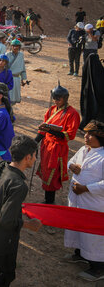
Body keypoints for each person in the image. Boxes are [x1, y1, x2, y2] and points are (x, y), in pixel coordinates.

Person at [0, 135, 43, 287]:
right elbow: (6, 220)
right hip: (1, 243)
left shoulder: (1, 166)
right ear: (28, 157)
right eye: (35, 156)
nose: (35, 159)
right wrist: (28, 224)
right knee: (1, 280)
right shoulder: (18, 185)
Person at [64, 120, 104, 282]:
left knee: (92, 235)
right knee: (77, 227)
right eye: (85, 133)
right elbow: (71, 161)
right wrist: (71, 166)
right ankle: (80, 254)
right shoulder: (83, 149)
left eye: (90, 135)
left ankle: (98, 268)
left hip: (93, 203)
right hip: (77, 199)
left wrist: (86, 188)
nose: (86, 137)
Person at [36, 84, 80, 205]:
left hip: (58, 149)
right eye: (54, 98)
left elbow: (69, 135)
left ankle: (49, 201)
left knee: (53, 174)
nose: (56, 101)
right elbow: (43, 128)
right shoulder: (51, 110)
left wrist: (50, 129)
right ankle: (47, 199)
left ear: (65, 98)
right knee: (46, 171)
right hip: (47, 146)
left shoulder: (72, 113)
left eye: (58, 99)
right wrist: (35, 142)